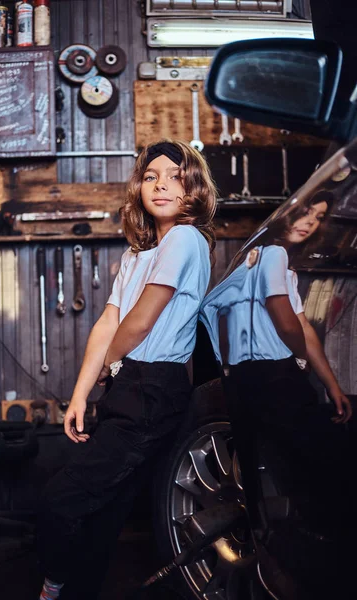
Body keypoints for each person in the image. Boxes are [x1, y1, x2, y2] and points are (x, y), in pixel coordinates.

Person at [37, 140, 217, 600]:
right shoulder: (136, 255)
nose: (161, 184)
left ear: (192, 186)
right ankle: (78, 591)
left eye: (174, 176)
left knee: (61, 500)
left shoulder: (185, 238)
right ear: (139, 187)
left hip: (153, 386)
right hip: (131, 384)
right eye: (152, 175)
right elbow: (108, 322)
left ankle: (52, 586)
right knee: (106, 512)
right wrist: (81, 392)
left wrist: (110, 366)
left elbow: (141, 320)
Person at [200, 189, 354, 598]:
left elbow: (302, 328)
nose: (310, 222)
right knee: (325, 465)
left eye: (319, 217)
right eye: (306, 212)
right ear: (287, 214)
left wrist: (332, 385)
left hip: (252, 377)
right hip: (269, 375)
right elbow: (286, 322)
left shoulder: (275, 264)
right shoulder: (274, 254)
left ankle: (293, 560)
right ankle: (318, 565)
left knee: (285, 472)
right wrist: (298, 362)